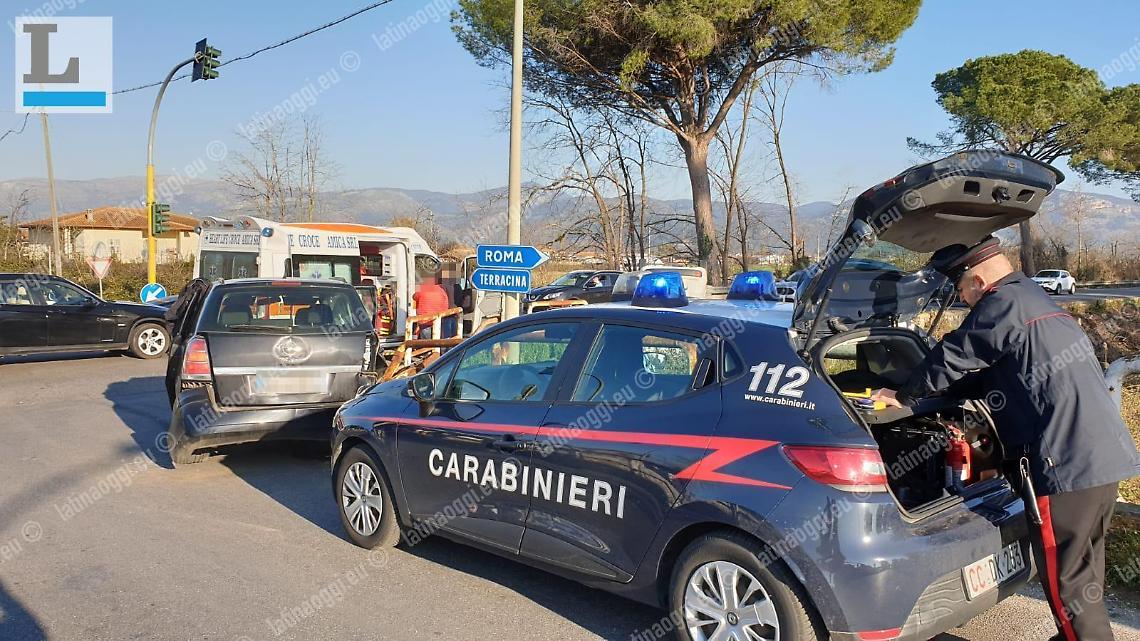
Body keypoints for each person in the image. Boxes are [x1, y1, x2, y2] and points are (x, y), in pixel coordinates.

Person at [871, 236, 1140, 641]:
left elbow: (954, 355)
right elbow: (988, 376)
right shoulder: (1035, 301)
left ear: (977, 281)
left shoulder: (1001, 305)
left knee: (1068, 588)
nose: (962, 301)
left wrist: (904, 395)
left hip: (1063, 469)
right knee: (1085, 576)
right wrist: (941, 396)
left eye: (961, 291)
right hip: (1101, 463)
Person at [411, 272, 450, 339]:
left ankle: (427, 348)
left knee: (427, 342)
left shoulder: (422, 289)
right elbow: (446, 304)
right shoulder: (441, 290)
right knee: (438, 340)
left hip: (425, 320)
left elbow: (414, 297)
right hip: (438, 319)